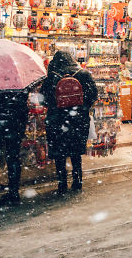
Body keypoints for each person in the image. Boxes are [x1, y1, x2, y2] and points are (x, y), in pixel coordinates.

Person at [41, 51, 99, 195]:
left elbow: (43, 99)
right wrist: (82, 108)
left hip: (57, 120)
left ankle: (62, 184)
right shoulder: (83, 74)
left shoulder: (52, 77)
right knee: (75, 153)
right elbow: (93, 95)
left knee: (60, 154)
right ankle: (77, 181)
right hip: (78, 120)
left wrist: (56, 106)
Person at [0, 91, 29, 211]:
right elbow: (23, 109)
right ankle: (14, 193)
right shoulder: (20, 84)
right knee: (13, 159)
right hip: (13, 123)